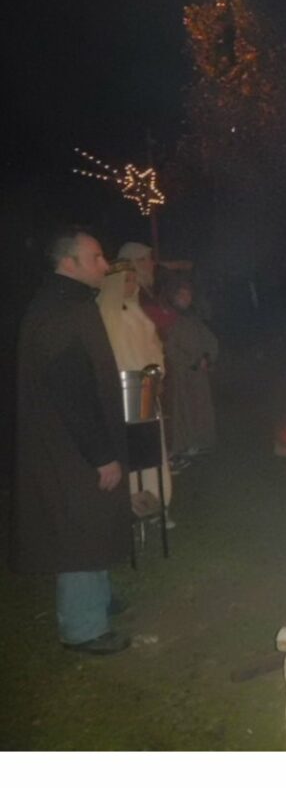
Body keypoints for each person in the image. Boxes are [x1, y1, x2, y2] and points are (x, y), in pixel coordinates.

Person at [11, 229, 133, 655]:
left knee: (93, 521)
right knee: (78, 529)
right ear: (69, 263)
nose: (105, 265)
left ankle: (100, 598)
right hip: (70, 451)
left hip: (73, 446)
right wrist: (102, 455)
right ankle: (83, 627)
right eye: (95, 257)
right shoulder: (59, 312)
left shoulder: (69, 304)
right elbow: (71, 392)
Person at [96, 259, 174, 526]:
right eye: (126, 280)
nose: (132, 285)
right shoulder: (105, 316)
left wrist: (156, 373)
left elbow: (153, 347)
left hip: (146, 388)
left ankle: (156, 501)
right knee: (131, 450)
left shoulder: (136, 311)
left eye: (133, 279)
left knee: (150, 447)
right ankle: (131, 505)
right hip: (124, 391)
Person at [163, 279, 219, 465]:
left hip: (198, 374)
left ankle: (199, 442)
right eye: (182, 294)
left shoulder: (193, 318)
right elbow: (170, 349)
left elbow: (210, 340)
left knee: (199, 409)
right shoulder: (170, 318)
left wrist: (207, 357)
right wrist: (191, 361)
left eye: (188, 294)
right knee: (183, 411)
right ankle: (183, 446)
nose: (186, 298)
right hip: (180, 375)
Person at [117, 241, 177, 340]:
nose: (150, 263)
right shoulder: (131, 293)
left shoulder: (151, 285)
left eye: (149, 258)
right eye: (142, 260)